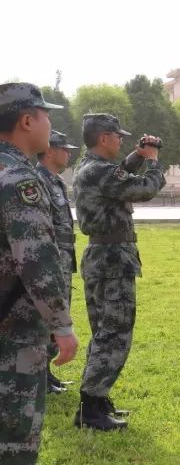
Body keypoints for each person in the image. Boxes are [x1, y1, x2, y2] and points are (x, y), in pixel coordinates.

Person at [0, 83, 78, 465]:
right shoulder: (20, 180)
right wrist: (61, 325)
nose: (51, 123)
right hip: (12, 336)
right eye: (45, 115)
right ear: (26, 120)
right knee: (12, 442)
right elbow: (36, 259)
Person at [72, 113, 165, 430]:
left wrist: (137, 155)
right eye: (117, 136)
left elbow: (120, 174)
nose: (121, 140)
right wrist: (152, 161)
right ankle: (90, 409)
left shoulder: (92, 169)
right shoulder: (99, 171)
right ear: (103, 138)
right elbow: (144, 189)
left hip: (103, 257)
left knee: (104, 332)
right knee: (114, 334)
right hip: (112, 260)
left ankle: (97, 401)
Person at [36, 130, 80, 395]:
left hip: (63, 255)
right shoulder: (38, 180)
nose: (69, 153)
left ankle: (46, 374)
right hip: (51, 256)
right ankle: (39, 375)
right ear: (50, 150)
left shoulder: (56, 181)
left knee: (59, 311)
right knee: (46, 316)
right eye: (64, 148)